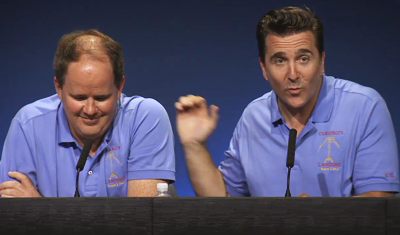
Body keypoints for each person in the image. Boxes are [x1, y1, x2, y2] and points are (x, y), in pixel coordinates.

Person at [175, 6, 399, 197]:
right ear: (264, 68)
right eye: (280, 60)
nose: (293, 74)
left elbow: (378, 209)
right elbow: (222, 200)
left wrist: (316, 219)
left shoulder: (364, 107)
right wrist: (194, 145)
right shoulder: (254, 116)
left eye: (303, 58)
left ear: (321, 62)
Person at [0, 29, 175, 197]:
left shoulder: (145, 118)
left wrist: (39, 210)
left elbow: (141, 220)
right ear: (58, 88)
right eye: (79, 97)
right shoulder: (28, 125)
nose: (90, 110)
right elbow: (12, 218)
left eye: (101, 97)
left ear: (119, 87)